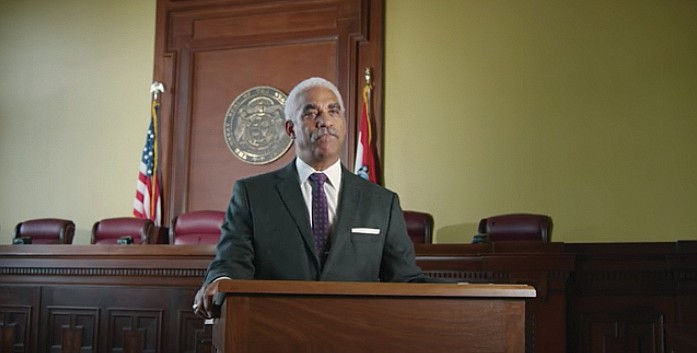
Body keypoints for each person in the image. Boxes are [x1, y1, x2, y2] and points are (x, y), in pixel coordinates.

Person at [193, 77, 438, 319]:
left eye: (334, 111)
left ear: (343, 123)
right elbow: (231, 262)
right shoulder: (252, 194)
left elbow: (404, 278)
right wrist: (220, 283)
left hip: (356, 330)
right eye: (311, 113)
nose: (325, 121)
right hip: (274, 328)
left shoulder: (382, 203)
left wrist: (462, 293)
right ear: (290, 129)